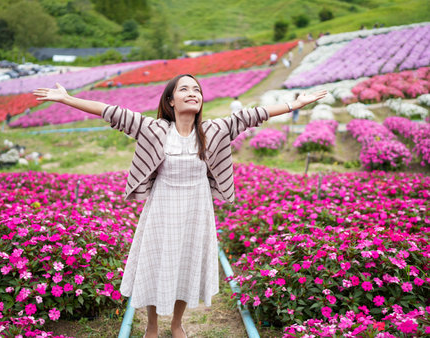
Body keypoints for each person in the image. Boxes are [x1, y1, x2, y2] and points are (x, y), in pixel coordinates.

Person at [33, 77, 326, 338]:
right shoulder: (153, 128)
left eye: (196, 89)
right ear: (171, 100)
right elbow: (111, 112)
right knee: (154, 262)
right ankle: (151, 324)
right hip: (161, 208)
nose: (192, 93)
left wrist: (294, 104)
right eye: (184, 88)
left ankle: (176, 323)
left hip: (197, 211)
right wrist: (67, 99)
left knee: (186, 265)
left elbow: (252, 116)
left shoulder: (214, 130)